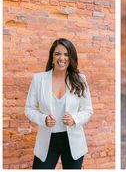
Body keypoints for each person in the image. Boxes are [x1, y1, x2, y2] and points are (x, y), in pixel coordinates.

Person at [25, 38, 93, 169]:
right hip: (47, 141)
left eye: (66, 54)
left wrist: (74, 119)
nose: (62, 58)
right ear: (52, 56)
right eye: (57, 53)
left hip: (73, 141)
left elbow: (87, 110)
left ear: (71, 58)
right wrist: (43, 119)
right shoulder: (39, 79)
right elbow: (29, 109)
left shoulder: (80, 80)